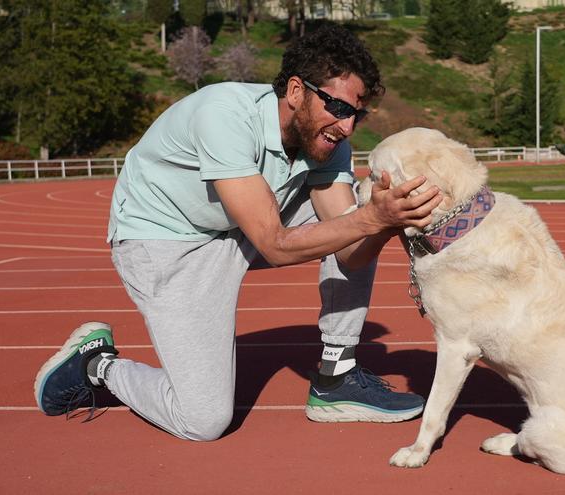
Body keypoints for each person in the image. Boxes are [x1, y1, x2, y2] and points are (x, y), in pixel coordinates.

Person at [33, 23, 441, 441]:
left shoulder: (328, 142)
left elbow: (350, 251)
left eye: (357, 113)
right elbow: (276, 246)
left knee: (355, 220)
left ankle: (337, 379)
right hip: (169, 241)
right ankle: (96, 366)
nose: (348, 126)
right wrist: (372, 219)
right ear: (297, 91)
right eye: (338, 107)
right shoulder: (224, 115)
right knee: (203, 421)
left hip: (238, 224)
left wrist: (384, 220)